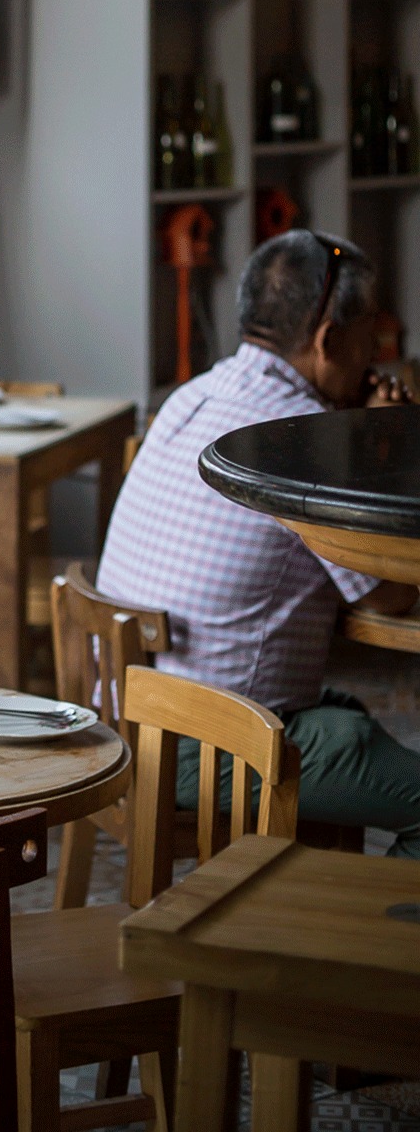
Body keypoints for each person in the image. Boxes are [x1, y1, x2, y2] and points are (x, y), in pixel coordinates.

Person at [97, 229, 420, 858]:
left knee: (348, 721)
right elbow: (392, 596)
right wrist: (383, 439)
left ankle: (323, 917)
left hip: (124, 717)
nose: (377, 356)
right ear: (329, 342)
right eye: (370, 340)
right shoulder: (306, 439)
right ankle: (374, 950)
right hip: (214, 739)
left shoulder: (192, 396)